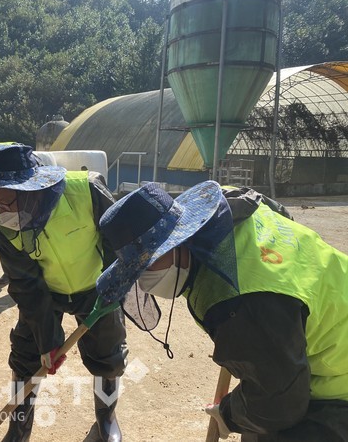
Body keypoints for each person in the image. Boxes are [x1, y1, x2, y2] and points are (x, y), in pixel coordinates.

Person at [95, 180, 348, 441]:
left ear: (177, 241)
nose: (143, 279)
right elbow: (281, 214)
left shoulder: (242, 302)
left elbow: (279, 406)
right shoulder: (234, 209)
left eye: (148, 261)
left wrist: (229, 414)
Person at [0, 143, 128, 442]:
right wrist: (47, 340)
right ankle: (18, 428)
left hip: (96, 288)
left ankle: (106, 419)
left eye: (4, 202)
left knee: (108, 355)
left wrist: (114, 285)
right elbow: (26, 285)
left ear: (28, 190)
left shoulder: (86, 190)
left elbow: (118, 243)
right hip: (46, 294)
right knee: (26, 355)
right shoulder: (5, 225)